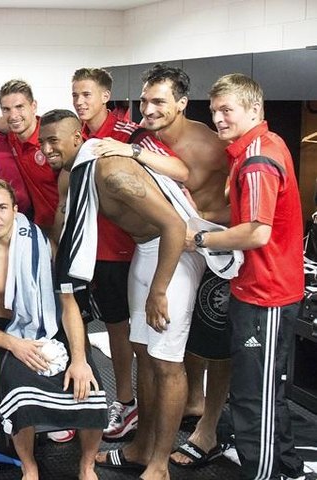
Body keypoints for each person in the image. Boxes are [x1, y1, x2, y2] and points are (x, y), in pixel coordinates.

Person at [36, 109, 205, 479]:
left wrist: (159, 290)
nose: (47, 148)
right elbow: (64, 221)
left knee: (166, 360)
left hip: (175, 250)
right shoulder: (75, 173)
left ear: (78, 139)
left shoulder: (110, 173)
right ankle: (141, 447)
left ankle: (160, 463)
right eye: (42, 142)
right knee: (142, 353)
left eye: (54, 140)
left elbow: (175, 226)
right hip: (147, 250)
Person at [187, 74, 306, 480]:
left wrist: (200, 238)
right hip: (258, 288)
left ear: (254, 109)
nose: (218, 118)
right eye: (214, 110)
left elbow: (256, 232)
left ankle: (266, 473)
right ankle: (286, 467)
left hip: (267, 293)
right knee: (262, 390)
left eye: (227, 110)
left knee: (254, 397)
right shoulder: (256, 147)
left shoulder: (256, 159)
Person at [0, 179, 107, 480]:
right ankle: (30, 466)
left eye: (2, 207)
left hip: (49, 323)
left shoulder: (43, 244)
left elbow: (68, 305)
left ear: (15, 210)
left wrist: (79, 359)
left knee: (91, 389)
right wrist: (13, 344)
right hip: (5, 331)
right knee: (19, 396)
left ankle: (87, 465)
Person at [69, 67, 184, 441]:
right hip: (92, 250)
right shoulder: (79, 136)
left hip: (127, 249)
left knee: (125, 334)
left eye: (87, 94)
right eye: (75, 95)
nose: (80, 101)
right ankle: (111, 405)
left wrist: (131, 149)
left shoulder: (128, 133)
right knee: (111, 332)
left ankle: (127, 402)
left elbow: (180, 171)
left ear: (106, 96)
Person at [134, 64, 232, 469]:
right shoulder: (143, 137)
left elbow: (241, 207)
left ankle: (207, 427)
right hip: (170, 245)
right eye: (144, 100)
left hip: (213, 247)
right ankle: (189, 404)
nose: (149, 109)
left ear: (181, 104)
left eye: (159, 101)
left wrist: (207, 230)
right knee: (172, 341)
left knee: (214, 343)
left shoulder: (211, 146)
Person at [0, 79, 58, 235]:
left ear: (33, 106)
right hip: (37, 229)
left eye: (19, 107)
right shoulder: (11, 136)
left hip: (64, 228)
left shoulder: (53, 140)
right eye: (6, 109)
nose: (13, 115)